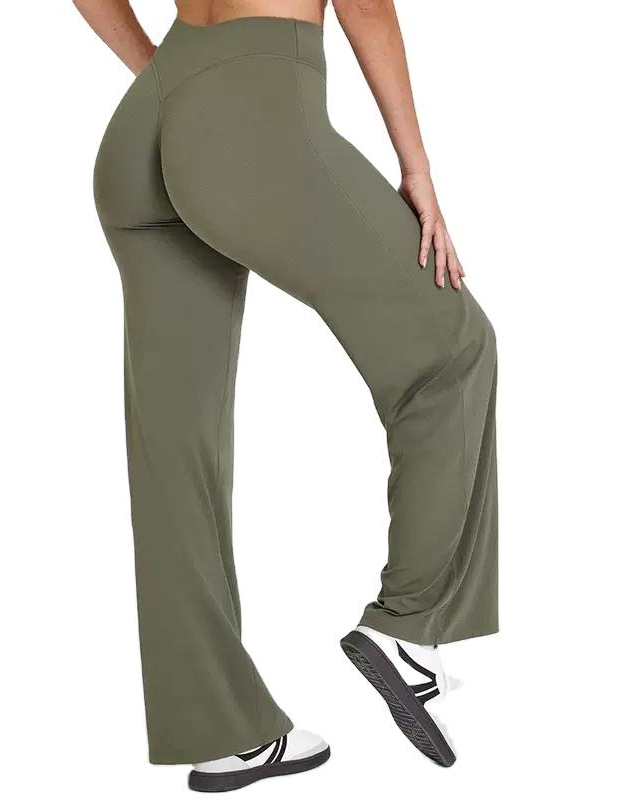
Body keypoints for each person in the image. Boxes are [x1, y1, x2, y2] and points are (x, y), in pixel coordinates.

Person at [74, 0, 498, 791]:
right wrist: (417, 169)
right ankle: (411, 627)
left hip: (149, 121)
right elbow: (365, 4)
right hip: (254, 117)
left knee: (176, 443)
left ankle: (221, 733)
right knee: (454, 348)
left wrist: (169, 80)